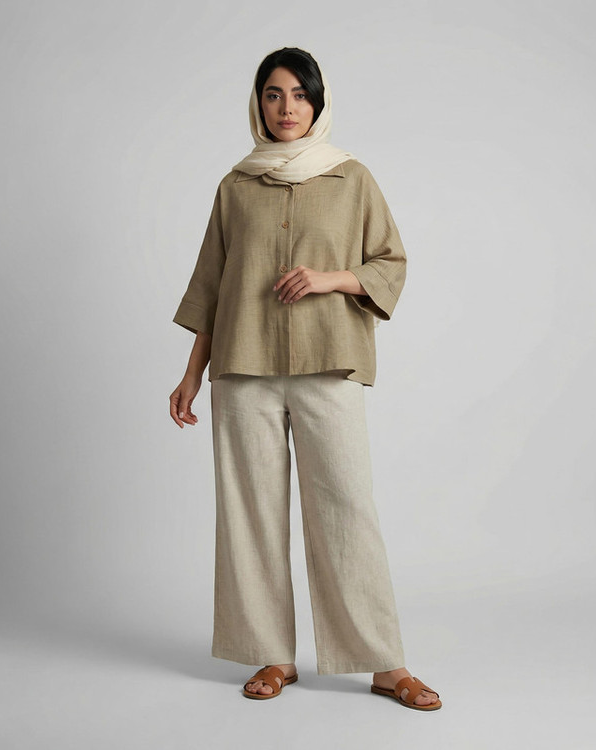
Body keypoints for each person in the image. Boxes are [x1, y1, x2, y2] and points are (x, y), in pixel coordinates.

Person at [169, 46, 441, 711]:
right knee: (250, 514)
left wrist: (331, 278)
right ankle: (273, 654)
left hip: (329, 361)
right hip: (243, 366)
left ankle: (383, 664)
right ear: (257, 103)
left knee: (347, 509)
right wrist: (191, 373)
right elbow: (212, 286)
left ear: (317, 103)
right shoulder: (235, 186)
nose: (286, 107)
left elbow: (390, 262)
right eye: (273, 94)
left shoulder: (352, 178)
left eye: (298, 94)